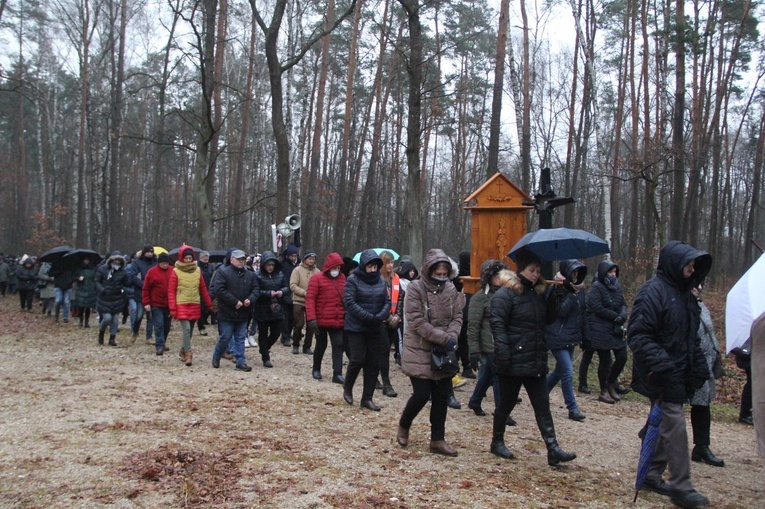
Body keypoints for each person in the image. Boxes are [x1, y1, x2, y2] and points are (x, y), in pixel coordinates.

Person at [628, 240, 712, 508]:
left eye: (693, 265)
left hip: (678, 371)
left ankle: (652, 472)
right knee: (674, 424)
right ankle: (681, 486)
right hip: (660, 373)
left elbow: (691, 337)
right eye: (688, 264)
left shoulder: (685, 295)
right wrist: (663, 365)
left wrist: (699, 366)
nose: (691, 269)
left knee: (664, 421)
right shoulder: (652, 292)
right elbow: (638, 335)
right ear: (675, 264)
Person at [489, 250, 576, 466]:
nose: (536, 274)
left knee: (542, 405)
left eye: (538, 271)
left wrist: (557, 295)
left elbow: (549, 320)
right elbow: (498, 326)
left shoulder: (539, 294)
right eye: (531, 270)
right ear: (521, 270)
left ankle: (552, 447)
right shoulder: (505, 295)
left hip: (535, 358)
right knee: (506, 404)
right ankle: (497, 440)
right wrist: (504, 355)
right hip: (512, 359)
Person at [397, 249, 465, 456]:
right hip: (419, 349)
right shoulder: (416, 289)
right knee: (421, 394)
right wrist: (443, 337)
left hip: (444, 352)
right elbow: (417, 321)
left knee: (441, 396)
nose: (442, 277)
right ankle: (404, 424)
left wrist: (452, 335)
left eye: (445, 274)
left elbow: (458, 316)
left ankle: (437, 439)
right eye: (439, 273)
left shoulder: (451, 290)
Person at [342, 249, 390, 411]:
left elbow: (387, 301)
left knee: (373, 362)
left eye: (375, 266)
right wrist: (368, 316)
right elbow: (350, 303)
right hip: (356, 326)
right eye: (369, 266)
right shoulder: (352, 280)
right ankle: (348, 387)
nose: (372, 269)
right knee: (357, 359)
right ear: (363, 266)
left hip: (375, 326)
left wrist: (380, 316)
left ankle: (367, 398)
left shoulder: (381, 281)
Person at [546, 260, 587, 421]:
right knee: (568, 372)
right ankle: (572, 407)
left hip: (571, 336)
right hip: (556, 335)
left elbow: (583, 313)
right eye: (573, 273)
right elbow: (560, 312)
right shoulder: (555, 288)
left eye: (578, 274)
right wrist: (570, 294)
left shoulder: (580, 290)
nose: (575, 277)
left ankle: (541, 394)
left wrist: (585, 336)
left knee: (559, 371)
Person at [689, 282, 724, 467]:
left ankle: (701, 446)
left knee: (702, 405)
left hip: (705, 363)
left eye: (700, 285)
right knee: (671, 407)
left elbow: (709, 332)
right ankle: (652, 437)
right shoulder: (682, 306)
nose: (698, 287)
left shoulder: (700, 305)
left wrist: (715, 352)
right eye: (695, 285)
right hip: (690, 363)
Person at [467, 260, 507, 417]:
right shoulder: (479, 298)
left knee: (487, 375)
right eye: (495, 275)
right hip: (488, 343)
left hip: (503, 341)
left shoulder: (507, 294)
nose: (499, 278)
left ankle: (475, 400)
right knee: (498, 376)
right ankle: (501, 411)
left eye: (501, 275)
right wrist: (474, 351)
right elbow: (473, 326)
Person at [586, 260, 629, 404]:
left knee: (622, 357)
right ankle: (604, 389)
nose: (613, 274)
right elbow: (596, 307)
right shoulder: (596, 287)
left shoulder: (617, 286)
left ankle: (611, 382)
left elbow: (623, 303)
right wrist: (614, 316)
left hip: (616, 328)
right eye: (611, 272)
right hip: (600, 329)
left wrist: (622, 315)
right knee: (605, 361)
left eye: (615, 272)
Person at [212, 249, 259, 372]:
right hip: (227, 312)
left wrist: (250, 299)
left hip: (243, 312)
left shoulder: (250, 274)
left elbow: (256, 289)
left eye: (243, 259)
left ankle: (240, 361)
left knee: (240, 337)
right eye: (238, 259)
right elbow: (219, 290)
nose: (241, 261)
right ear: (232, 259)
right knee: (225, 337)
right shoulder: (223, 272)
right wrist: (234, 302)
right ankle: (217, 355)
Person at [305, 252, 347, 383]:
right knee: (321, 345)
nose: (337, 271)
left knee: (338, 345)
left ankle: (337, 373)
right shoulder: (316, 279)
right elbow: (310, 299)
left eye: (339, 268)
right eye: (335, 268)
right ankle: (316, 368)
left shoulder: (342, 278)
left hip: (337, 318)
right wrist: (311, 319)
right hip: (321, 320)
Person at [169, 246, 213, 367]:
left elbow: (203, 288)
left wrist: (209, 303)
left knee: (190, 331)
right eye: (186, 258)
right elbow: (171, 291)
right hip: (181, 303)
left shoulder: (197, 270)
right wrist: (172, 308)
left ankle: (183, 350)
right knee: (187, 329)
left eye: (190, 258)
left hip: (194, 303)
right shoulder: (176, 271)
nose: (188, 260)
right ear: (182, 258)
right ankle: (189, 353)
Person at [254, 251, 290, 367]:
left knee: (276, 333)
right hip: (262, 308)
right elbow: (256, 291)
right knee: (263, 333)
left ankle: (265, 348)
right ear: (263, 264)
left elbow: (287, 287)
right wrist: (268, 294)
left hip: (277, 308)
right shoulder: (257, 275)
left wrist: (281, 292)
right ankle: (265, 356)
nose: (270, 267)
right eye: (268, 265)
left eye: (272, 265)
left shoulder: (280, 274)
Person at [378, 250, 401, 397]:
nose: (390, 266)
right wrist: (387, 315)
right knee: (384, 350)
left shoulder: (396, 278)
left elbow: (400, 298)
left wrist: (397, 314)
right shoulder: (377, 279)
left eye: (392, 263)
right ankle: (386, 383)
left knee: (383, 351)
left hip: (393, 320)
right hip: (380, 321)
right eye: (387, 263)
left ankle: (377, 377)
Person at [94, 251, 130, 346]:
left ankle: (112, 338)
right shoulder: (102, 269)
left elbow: (126, 283)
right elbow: (97, 280)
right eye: (115, 260)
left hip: (117, 298)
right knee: (107, 318)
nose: (117, 262)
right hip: (105, 298)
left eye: (119, 260)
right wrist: (102, 290)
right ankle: (101, 333)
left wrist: (128, 279)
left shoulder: (123, 272)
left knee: (115, 320)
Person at [289, 248, 320, 355]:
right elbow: (293, 285)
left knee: (311, 324)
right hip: (298, 300)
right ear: (305, 259)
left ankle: (307, 346)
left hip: (312, 302)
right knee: (299, 324)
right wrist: (304, 293)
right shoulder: (297, 270)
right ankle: (296, 344)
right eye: (309, 259)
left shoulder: (318, 272)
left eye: (313, 259)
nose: (311, 261)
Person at [143, 253, 173, 355]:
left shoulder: (173, 271)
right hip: (156, 303)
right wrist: (146, 303)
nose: (165, 265)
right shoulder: (152, 272)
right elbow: (146, 288)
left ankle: (163, 342)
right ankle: (159, 345)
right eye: (163, 263)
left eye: (166, 263)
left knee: (167, 325)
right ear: (159, 263)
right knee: (159, 324)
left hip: (169, 304)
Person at [127, 246, 157, 344]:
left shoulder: (155, 263)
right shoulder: (137, 262)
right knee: (139, 315)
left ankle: (149, 337)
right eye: (148, 252)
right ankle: (135, 332)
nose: (149, 254)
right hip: (140, 292)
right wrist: (143, 284)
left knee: (151, 316)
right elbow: (133, 276)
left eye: (151, 252)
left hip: (153, 293)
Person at [280, 243, 299, 346]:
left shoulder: (299, 264)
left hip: (295, 293)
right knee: (285, 317)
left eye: (295, 256)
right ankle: (285, 336)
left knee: (293, 317)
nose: (293, 258)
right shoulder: (283, 264)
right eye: (291, 256)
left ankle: (289, 332)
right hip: (285, 292)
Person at [733, 339, 753, 425]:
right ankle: (746, 414)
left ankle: (747, 414)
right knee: (752, 383)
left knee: (752, 383)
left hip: (750, 353)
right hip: (749, 354)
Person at [74, 258, 97, 328]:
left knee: (88, 307)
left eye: (87, 260)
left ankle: (87, 321)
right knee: (81, 306)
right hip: (81, 289)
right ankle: (81, 321)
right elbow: (74, 277)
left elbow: (95, 278)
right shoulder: (79, 268)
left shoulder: (93, 268)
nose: (86, 261)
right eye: (85, 260)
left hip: (90, 289)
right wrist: (78, 278)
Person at [196, 251, 215, 336]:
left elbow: (213, 277)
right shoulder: (196, 267)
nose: (205, 258)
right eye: (204, 257)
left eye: (207, 257)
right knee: (200, 308)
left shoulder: (211, 267)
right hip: (198, 289)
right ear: (200, 258)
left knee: (207, 307)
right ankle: (201, 326)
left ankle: (204, 320)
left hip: (209, 288)